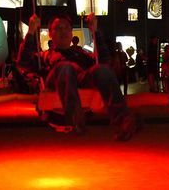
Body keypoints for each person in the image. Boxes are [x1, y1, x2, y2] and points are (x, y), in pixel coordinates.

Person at [17, 13, 141, 141]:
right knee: (65, 67)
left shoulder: (81, 54)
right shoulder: (44, 56)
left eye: (66, 28)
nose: (63, 31)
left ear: (72, 33)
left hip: (79, 79)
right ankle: (75, 117)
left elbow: (104, 60)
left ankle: (124, 120)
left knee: (102, 69)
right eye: (58, 28)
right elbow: (23, 62)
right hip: (56, 82)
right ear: (50, 34)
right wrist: (31, 31)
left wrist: (95, 32)